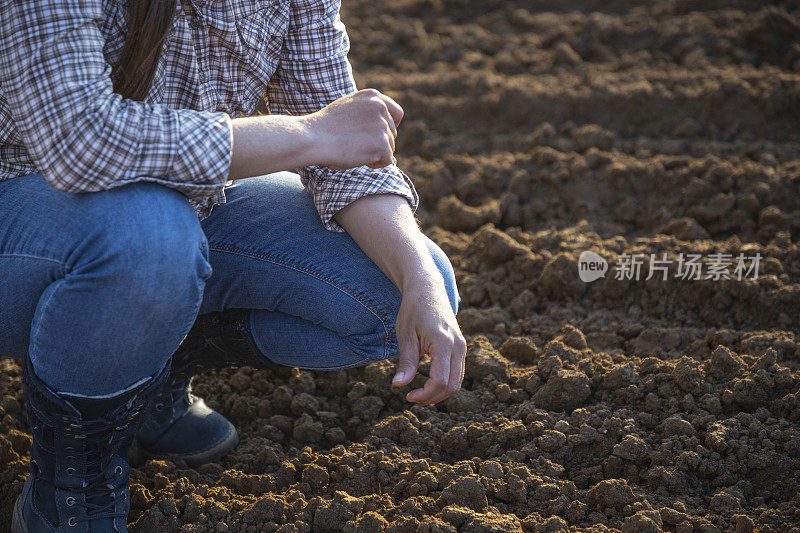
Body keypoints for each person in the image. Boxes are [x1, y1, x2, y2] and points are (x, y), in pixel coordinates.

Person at [0, 1, 466, 530]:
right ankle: (69, 474)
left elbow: (347, 152)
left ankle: (145, 377)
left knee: (395, 288)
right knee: (151, 237)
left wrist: (419, 282)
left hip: (174, 218)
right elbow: (81, 142)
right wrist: (307, 135)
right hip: (21, 219)